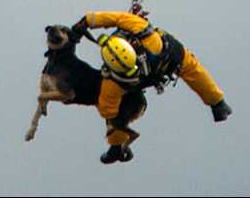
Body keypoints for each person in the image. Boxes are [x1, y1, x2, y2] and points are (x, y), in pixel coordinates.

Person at [71, 11, 232, 164]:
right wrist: (88, 20)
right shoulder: (138, 26)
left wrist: (84, 23)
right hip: (165, 58)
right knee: (193, 70)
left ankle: (116, 147)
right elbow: (115, 18)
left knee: (114, 117)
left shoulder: (112, 83)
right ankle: (218, 104)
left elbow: (108, 110)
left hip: (165, 59)